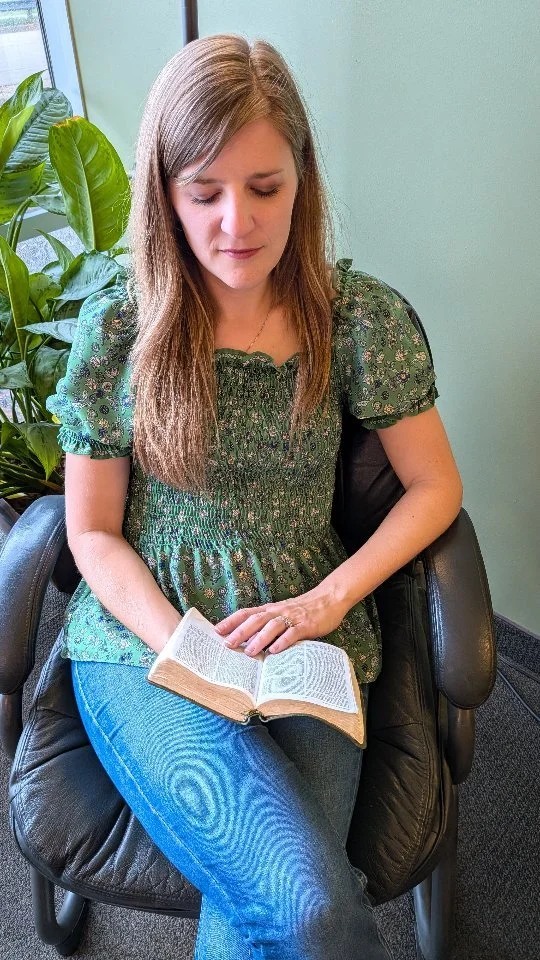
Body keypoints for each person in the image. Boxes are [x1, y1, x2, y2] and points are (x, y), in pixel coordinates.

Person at [46, 33, 463, 960]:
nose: (237, 221)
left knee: (297, 905)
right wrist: (182, 645)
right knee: (310, 910)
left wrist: (328, 601)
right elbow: (93, 532)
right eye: (205, 193)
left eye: (266, 187)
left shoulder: (356, 318)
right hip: (145, 640)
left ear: (303, 180)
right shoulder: (121, 326)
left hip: (304, 637)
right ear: (165, 194)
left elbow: (436, 486)